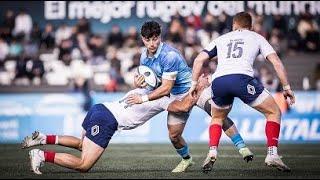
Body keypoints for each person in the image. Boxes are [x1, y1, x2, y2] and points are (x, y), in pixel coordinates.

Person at [22, 76, 251, 174]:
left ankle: (43, 137)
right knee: (84, 165)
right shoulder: (162, 97)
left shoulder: (144, 89)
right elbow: (181, 107)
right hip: (107, 119)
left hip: (100, 109)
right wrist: (199, 87)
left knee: (83, 144)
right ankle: (42, 155)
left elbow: (147, 83)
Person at [126, 21, 252, 173]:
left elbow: (166, 87)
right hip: (176, 97)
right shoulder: (143, 57)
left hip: (193, 89)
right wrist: (139, 84)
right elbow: (153, 82)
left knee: (217, 113)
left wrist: (143, 98)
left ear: (160, 37)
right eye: (148, 40)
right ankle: (187, 159)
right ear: (142, 38)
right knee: (174, 135)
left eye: (155, 39)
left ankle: (242, 148)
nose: (152, 43)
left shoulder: (169, 55)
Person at [189, 12, 295, 173]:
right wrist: (286, 88)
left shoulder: (221, 39)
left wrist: (193, 84)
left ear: (234, 25)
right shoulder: (256, 37)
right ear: (250, 26)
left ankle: (212, 151)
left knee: (217, 117)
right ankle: (272, 154)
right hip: (242, 80)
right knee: (274, 112)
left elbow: (198, 60)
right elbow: (276, 62)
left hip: (219, 81)